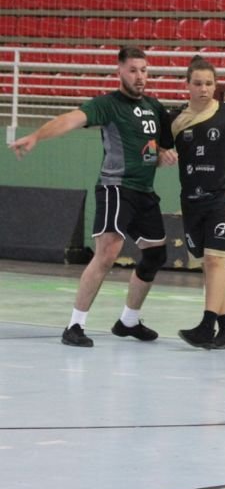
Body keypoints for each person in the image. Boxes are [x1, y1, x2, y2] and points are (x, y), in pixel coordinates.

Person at [8, 46, 174, 347]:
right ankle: (75, 325)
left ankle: (128, 321)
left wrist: (162, 155)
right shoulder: (107, 105)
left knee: (155, 255)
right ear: (120, 71)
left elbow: (157, 147)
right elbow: (70, 119)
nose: (140, 76)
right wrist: (36, 136)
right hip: (116, 188)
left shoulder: (154, 107)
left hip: (145, 192)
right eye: (134, 70)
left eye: (144, 70)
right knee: (108, 252)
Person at [170, 56, 225, 350]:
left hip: (224, 196)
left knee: (215, 260)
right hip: (193, 201)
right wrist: (160, 156)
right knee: (209, 264)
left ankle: (207, 326)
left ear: (215, 85)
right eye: (198, 83)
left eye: (209, 83)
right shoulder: (176, 120)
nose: (204, 89)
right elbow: (157, 153)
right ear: (187, 85)